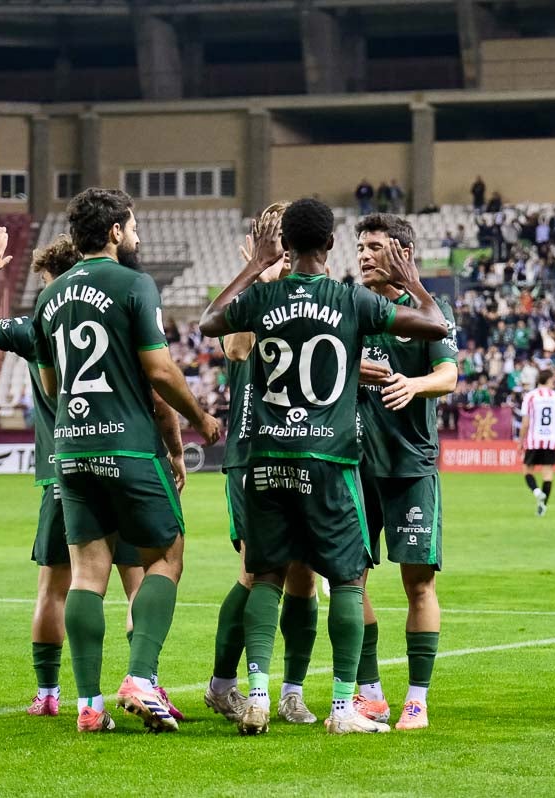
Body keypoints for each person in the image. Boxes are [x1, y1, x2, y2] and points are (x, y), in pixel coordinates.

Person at [198, 197, 449, 735]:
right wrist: (414, 281)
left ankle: (261, 693)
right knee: (347, 580)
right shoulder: (349, 299)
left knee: (264, 575)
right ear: (332, 245)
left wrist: (252, 265)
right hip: (329, 460)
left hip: (266, 456)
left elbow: (209, 321)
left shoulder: (262, 296)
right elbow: (435, 323)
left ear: (283, 244)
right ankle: (343, 708)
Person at [32, 188, 221, 734]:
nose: (136, 235)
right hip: (128, 445)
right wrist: (203, 419)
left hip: (70, 448)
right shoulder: (135, 283)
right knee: (167, 553)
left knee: (87, 574)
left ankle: (89, 705)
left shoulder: (48, 297)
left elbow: (50, 383)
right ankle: (140, 676)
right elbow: (160, 372)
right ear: (114, 230)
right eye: (132, 225)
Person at [0, 228, 158, 718]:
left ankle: (49, 694)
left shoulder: (39, 326)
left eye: (46, 280)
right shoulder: (121, 316)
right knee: (138, 579)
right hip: (125, 459)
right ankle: (143, 680)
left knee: (56, 586)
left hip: (64, 472)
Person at [206, 204, 323, 727]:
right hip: (252, 450)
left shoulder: (317, 289)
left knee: (304, 576)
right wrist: (261, 275)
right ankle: (224, 685)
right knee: (256, 572)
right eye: (268, 234)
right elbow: (233, 347)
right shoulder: (253, 291)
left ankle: (291, 692)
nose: (278, 244)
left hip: (305, 447)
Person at [351, 213, 458, 731]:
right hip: (355, 465)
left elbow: (449, 375)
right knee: (351, 578)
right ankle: (370, 692)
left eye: (374, 247)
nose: (364, 255)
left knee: (418, 584)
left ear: (401, 253)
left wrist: (414, 385)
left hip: (411, 465)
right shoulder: (350, 307)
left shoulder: (429, 313)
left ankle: (417, 699)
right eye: (361, 246)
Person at [520, 377, 555, 517]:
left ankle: (537, 492)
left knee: (527, 471)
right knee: (548, 475)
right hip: (551, 440)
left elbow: (526, 422)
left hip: (534, 439)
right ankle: (543, 506)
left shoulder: (531, 396)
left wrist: (521, 440)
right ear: (549, 381)